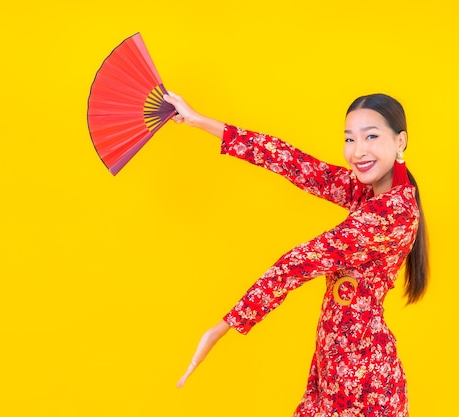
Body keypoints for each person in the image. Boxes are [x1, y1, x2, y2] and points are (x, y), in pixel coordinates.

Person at [164, 91, 429, 417]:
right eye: (349, 139)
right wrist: (199, 121)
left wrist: (223, 327)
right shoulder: (368, 190)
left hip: (364, 382)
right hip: (331, 370)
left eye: (371, 136)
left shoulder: (392, 211)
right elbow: (294, 163)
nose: (358, 151)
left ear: (400, 141)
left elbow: (300, 262)